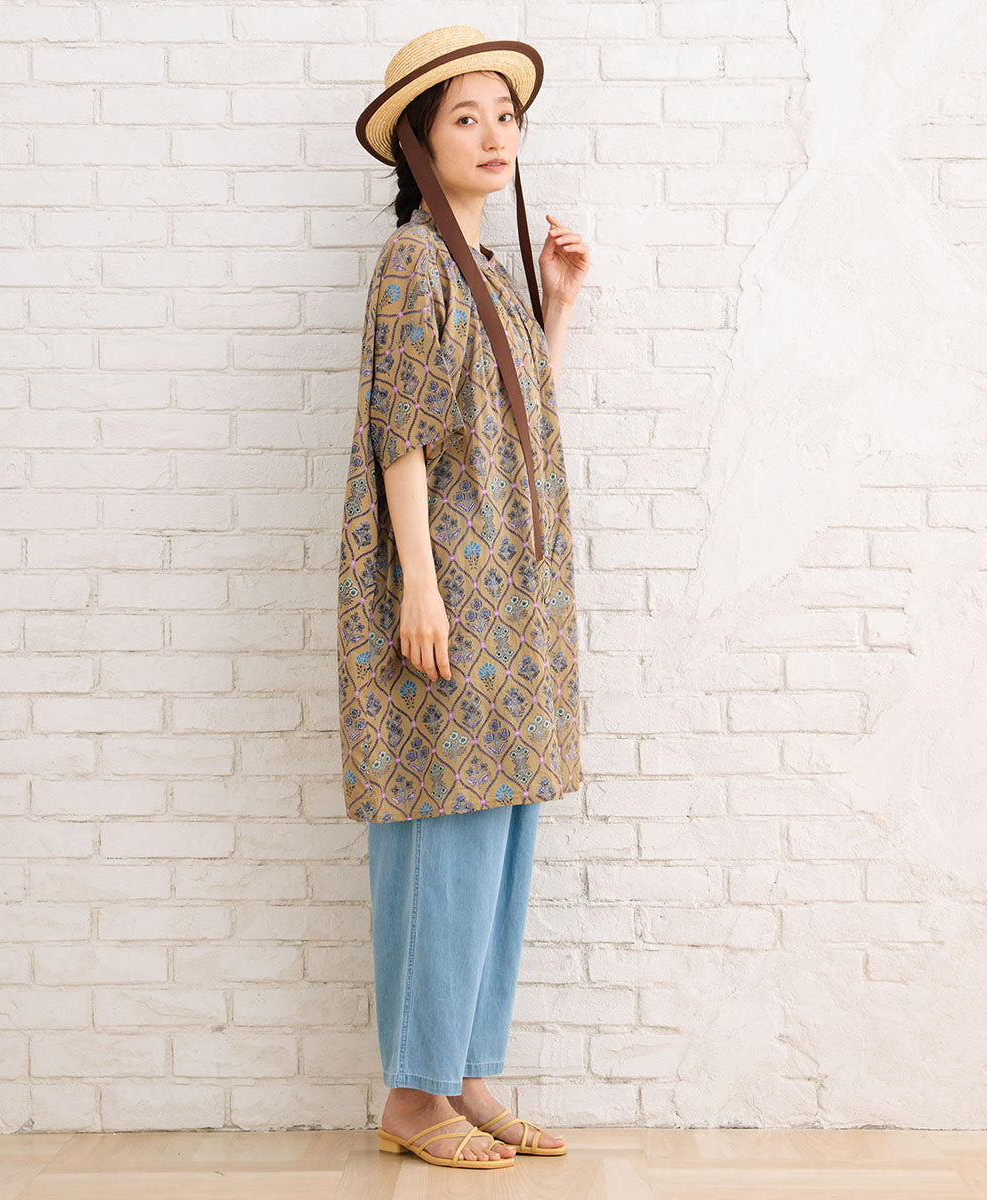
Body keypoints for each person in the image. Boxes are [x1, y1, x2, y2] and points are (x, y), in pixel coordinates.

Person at [339, 25, 590, 1169]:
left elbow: (511, 419)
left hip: (514, 598)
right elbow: (404, 434)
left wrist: (555, 309)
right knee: (443, 833)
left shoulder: (485, 269)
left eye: (506, 116)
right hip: (451, 589)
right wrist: (421, 588)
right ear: (417, 141)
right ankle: (413, 1093)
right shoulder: (413, 262)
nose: (495, 135)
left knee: (502, 831)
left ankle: (468, 1071)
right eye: (465, 117)